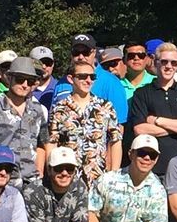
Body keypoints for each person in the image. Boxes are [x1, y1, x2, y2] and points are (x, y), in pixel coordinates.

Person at [0, 57, 51, 182]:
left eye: (30, 81)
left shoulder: (38, 110)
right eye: (20, 79)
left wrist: (39, 170)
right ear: (9, 78)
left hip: (32, 186)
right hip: (1, 185)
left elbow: (42, 144)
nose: (24, 85)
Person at [129, 42, 177, 177]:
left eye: (174, 63)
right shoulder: (142, 93)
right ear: (155, 62)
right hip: (150, 168)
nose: (169, 66)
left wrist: (157, 120)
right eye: (164, 62)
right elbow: (140, 129)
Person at [48, 57, 122, 187]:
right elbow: (52, 144)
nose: (88, 80)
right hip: (68, 179)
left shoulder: (105, 107)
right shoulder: (59, 109)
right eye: (83, 76)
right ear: (71, 79)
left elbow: (115, 141)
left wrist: (113, 173)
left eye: (92, 77)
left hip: (99, 180)